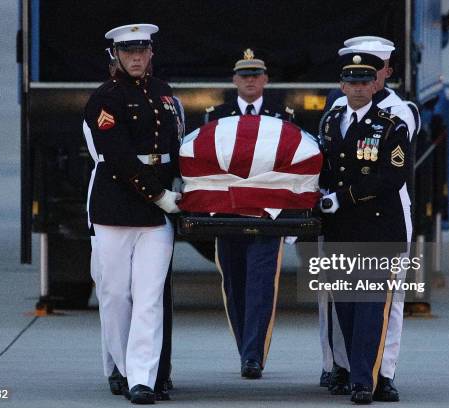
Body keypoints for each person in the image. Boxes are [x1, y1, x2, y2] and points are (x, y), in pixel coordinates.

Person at [82, 23, 183, 405]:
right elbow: (119, 158)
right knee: (115, 295)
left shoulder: (164, 93)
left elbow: (176, 143)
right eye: (129, 52)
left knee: (149, 297)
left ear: (152, 53)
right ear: (116, 57)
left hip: (157, 214)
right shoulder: (105, 99)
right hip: (116, 205)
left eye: (142, 51)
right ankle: (120, 367)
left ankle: (142, 377)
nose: (137, 58)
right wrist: (160, 196)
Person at [318, 36, 419, 402]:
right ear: (342, 85)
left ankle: (367, 380)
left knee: (372, 308)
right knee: (345, 305)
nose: (359, 88)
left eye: (365, 81)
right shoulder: (331, 121)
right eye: (352, 82)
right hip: (342, 228)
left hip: (379, 226)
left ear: (376, 83)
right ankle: (349, 369)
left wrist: (343, 197)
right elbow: (324, 167)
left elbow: (393, 177)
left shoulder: (392, 123)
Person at [204, 49, 294, 379]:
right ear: (234, 81)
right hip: (228, 212)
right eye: (244, 75)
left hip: (268, 213)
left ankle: (253, 355)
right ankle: (246, 348)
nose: (250, 80)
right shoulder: (217, 115)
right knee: (234, 283)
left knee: (260, 283)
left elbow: (292, 166)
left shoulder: (282, 115)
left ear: (266, 80)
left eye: (256, 75)